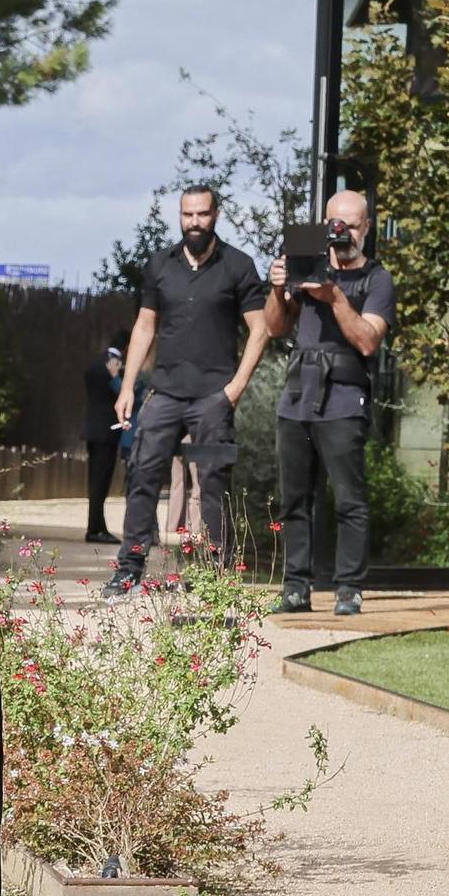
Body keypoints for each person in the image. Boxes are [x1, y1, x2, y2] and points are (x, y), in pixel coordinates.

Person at [106, 187, 270, 599]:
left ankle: (216, 576)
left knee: (213, 483)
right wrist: (128, 386)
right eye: (187, 214)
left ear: (216, 214)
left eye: (201, 214)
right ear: (179, 217)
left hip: (213, 398)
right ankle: (129, 569)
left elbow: (261, 329)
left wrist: (234, 389)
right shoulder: (161, 264)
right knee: (142, 473)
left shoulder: (238, 266)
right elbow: (145, 326)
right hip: (164, 393)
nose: (194, 221)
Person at [264, 190, 394, 616]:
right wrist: (280, 289)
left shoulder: (376, 279)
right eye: (335, 224)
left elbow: (368, 341)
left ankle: (348, 589)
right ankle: (296, 587)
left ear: (366, 228)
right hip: (298, 392)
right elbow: (276, 327)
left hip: (342, 395)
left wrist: (335, 296)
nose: (342, 233)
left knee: (349, 499)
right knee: (295, 499)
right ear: (323, 225)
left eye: (352, 225)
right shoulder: (307, 266)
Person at [82, 333, 128, 543]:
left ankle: (97, 526)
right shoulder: (114, 365)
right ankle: (96, 529)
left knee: (95, 481)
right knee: (101, 482)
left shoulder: (95, 363)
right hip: (108, 431)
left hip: (93, 429)